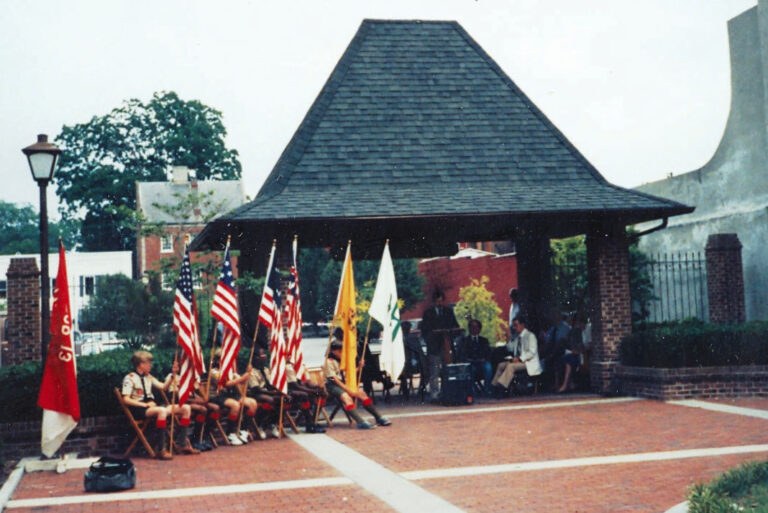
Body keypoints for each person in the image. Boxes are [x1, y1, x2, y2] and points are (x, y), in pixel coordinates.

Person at [121, 350, 196, 459]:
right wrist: (145, 405)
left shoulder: (149, 377)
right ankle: (162, 449)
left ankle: (182, 444)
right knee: (162, 411)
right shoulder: (130, 378)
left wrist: (172, 376)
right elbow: (126, 400)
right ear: (141, 364)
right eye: (148, 363)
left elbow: (163, 387)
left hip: (153, 407)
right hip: (140, 409)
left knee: (186, 408)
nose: (150, 365)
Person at [324, 340, 391, 429]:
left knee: (362, 394)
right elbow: (334, 379)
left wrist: (359, 367)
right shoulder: (329, 362)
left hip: (345, 383)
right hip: (333, 385)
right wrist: (348, 390)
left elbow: (349, 374)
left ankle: (378, 417)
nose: (342, 353)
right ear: (333, 351)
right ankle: (360, 422)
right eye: (339, 351)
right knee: (346, 397)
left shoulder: (343, 360)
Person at [209, 352, 257, 446]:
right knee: (235, 405)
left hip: (232, 395)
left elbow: (241, 383)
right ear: (218, 361)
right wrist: (242, 378)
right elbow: (224, 384)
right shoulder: (214, 372)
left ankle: (243, 430)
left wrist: (247, 375)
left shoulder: (230, 371)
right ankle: (230, 433)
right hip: (218, 396)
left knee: (252, 403)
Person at [420, 290, 459, 400]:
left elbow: (455, 325)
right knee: (434, 371)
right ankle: (434, 394)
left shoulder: (448, 311)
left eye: (441, 301)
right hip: (434, 346)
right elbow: (425, 330)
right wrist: (431, 337)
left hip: (446, 344)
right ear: (433, 302)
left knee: (447, 370)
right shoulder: (428, 313)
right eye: (437, 301)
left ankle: (447, 391)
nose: (439, 303)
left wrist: (452, 332)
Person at [491, 316, 542, 393]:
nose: (514, 327)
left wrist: (520, 358)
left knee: (511, 366)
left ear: (522, 325)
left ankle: (502, 387)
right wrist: (508, 338)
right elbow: (510, 348)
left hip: (528, 362)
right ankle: (494, 385)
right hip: (518, 361)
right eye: (513, 325)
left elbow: (532, 352)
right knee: (501, 365)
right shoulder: (517, 337)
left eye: (516, 325)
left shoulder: (530, 336)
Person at [247, 347, 285, 439]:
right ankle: (260, 425)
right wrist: (273, 393)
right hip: (255, 394)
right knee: (269, 400)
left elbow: (270, 384)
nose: (265, 356)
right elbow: (256, 389)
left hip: (267, 392)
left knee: (283, 399)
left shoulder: (265, 369)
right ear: (256, 358)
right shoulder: (251, 372)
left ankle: (273, 423)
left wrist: (279, 391)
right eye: (262, 354)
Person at [286, 356, 327, 434]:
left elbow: (307, 381)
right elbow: (295, 385)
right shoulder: (287, 367)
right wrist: (312, 391)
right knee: (304, 395)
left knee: (322, 394)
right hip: (290, 391)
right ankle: (309, 424)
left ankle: (313, 420)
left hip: (302, 388)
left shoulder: (301, 365)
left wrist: (317, 387)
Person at [455, 319, 493, 394]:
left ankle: (487, 389)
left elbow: (488, 353)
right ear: (469, 329)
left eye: (476, 327)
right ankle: (472, 390)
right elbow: (462, 354)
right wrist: (468, 360)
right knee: (470, 369)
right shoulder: (464, 341)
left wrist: (484, 359)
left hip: (482, 362)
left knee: (488, 368)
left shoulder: (484, 340)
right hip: (471, 363)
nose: (474, 329)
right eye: (472, 327)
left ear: (479, 329)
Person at [558, 314, 586, 393]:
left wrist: (579, 350)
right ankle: (570, 383)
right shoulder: (576, 331)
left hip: (583, 354)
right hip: (577, 353)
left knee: (568, 361)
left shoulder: (581, 331)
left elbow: (583, 345)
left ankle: (565, 384)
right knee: (567, 359)